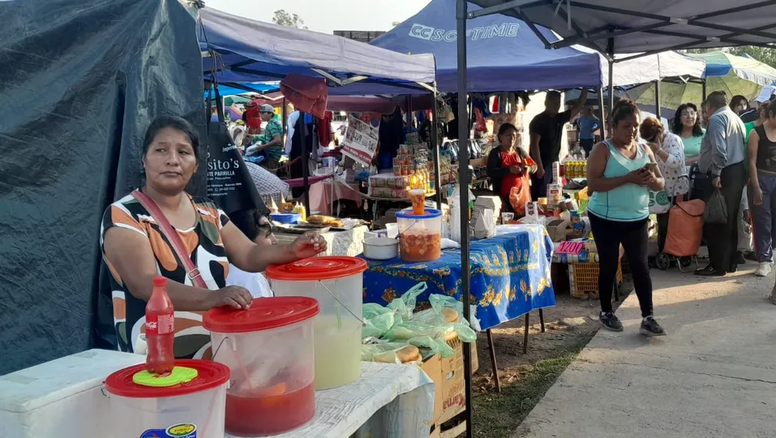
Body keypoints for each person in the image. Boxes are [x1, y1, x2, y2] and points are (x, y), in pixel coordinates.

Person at [100, 115, 327, 358]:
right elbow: (143, 283)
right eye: (161, 150)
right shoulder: (124, 214)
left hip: (214, 352)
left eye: (184, 152)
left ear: (196, 165)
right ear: (144, 159)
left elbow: (249, 254)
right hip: (155, 358)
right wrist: (214, 297)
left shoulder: (208, 211)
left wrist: (291, 250)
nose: (172, 160)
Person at [586, 99, 666, 336]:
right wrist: (627, 178)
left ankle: (648, 316)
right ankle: (606, 311)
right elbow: (593, 184)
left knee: (641, 267)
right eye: (626, 126)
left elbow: (660, 183)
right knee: (609, 264)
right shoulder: (603, 150)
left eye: (635, 126)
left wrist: (652, 181)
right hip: (606, 218)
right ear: (613, 125)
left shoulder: (645, 149)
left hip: (637, 218)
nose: (632, 131)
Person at [696, 91, 748, 276]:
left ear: (710, 106)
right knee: (729, 219)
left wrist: (716, 173)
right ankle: (730, 261)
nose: (704, 114)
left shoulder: (717, 119)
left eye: (704, 110)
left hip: (723, 173)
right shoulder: (735, 117)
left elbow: (719, 149)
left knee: (716, 219)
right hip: (736, 171)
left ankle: (718, 264)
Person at [640, 117, 689, 252]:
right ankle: (663, 251)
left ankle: (676, 252)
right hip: (662, 189)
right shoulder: (650, 145)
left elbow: (676, 162)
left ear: (660, 131)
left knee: (674, 223)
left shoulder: (674, 140)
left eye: (652, 138)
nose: (651, 142)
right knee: (663, 223)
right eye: (647, 140)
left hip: (677, 188)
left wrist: (658, 150)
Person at [529, 89, 588, 199]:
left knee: (554, 194)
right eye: (554, 102)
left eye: (558, 103)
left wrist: (585, 89)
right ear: (546, 102)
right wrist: (539, 166)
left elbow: (578, 107)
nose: (556, 105)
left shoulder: (559, 118)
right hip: (541, 164)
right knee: (541, 196)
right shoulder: (538, 121)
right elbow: (534, 144)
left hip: (554, 163)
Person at [747, 99, 776, 280]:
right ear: (771, 114)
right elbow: (751, 161)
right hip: (762, 179)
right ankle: (764, 260)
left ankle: (771, 253)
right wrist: (756, 187)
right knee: (763, 222)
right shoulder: (756, 133)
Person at [226, 210, 277, 298]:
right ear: (246, 241)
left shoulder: (226, 269)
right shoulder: (252, 278)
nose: (275, 240)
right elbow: (262, 310)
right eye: (267, 235)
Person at [486, 123, 534, 215]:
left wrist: (527, 168)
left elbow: (534, 166)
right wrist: (508, 170)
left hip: (522, 196)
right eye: (508, 135)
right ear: (500, 137)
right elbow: (490, 171)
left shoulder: (520, 152)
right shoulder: (496, 153)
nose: (512, 138)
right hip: (504, 199)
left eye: (514, 135)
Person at [253, 104, 283, 171]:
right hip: (274, 154)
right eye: (261, 113)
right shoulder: (274, 122)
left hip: (272, 154)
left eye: (263, 113)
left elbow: (277, 140)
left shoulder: (271, 124)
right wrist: (254, 137)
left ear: (270, 114)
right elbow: (268, 137)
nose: (261, 115)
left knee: (271, 174)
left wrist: (263, 147)